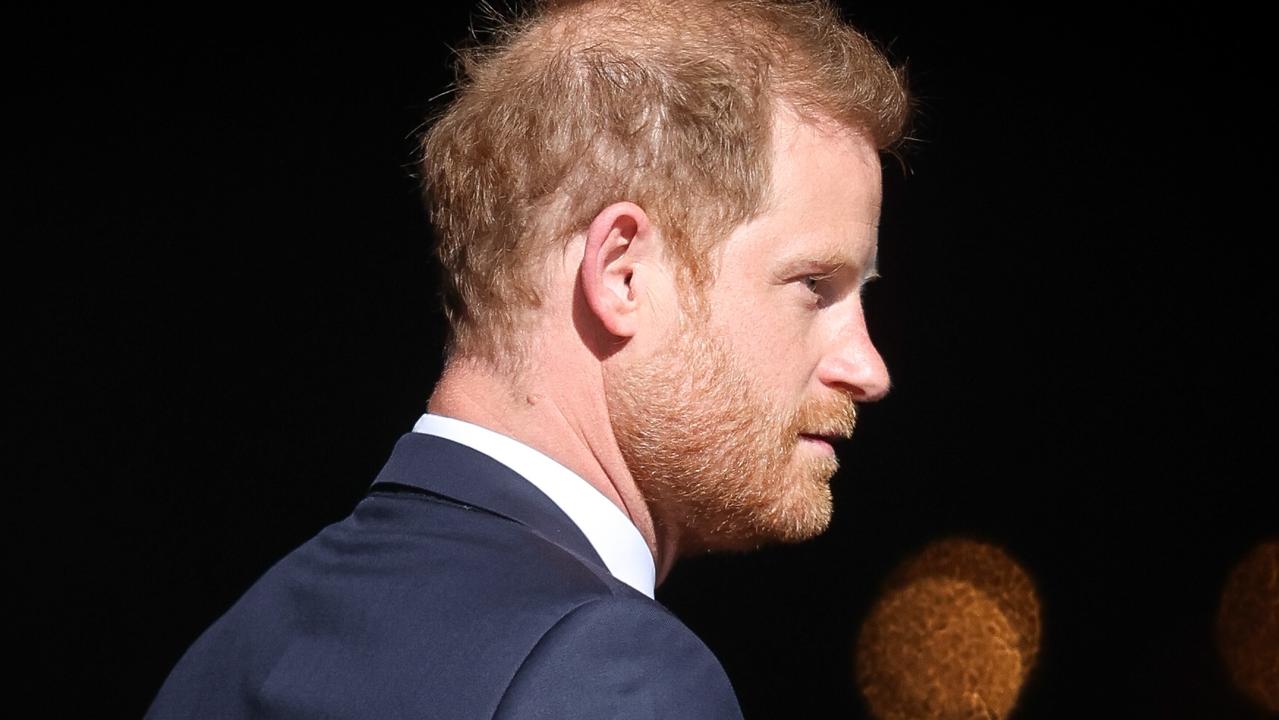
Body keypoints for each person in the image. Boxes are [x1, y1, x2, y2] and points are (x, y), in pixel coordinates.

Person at [146, 0, 909, 717]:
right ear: (622, 274)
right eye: (815, 286)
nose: (866, 367)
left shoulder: (228, 652)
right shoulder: (607, 673)